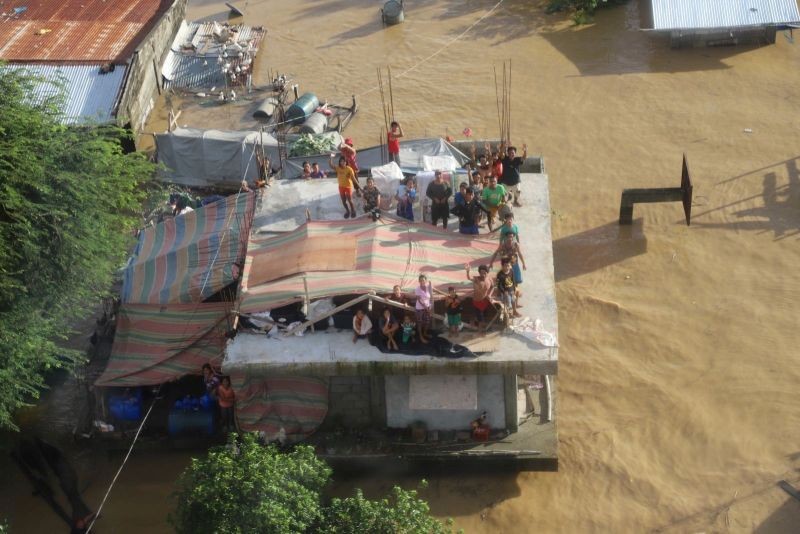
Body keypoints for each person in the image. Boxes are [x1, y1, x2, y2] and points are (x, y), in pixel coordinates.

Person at [465, 264, 494, 329]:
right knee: (480, 317)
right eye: (481, 272)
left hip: (485, 301)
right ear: (479, 273)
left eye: (485, 273)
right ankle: (480, 331)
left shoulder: (489, 279)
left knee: (483, 315)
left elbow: (492, 287)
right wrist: (467, 271)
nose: (483, 274)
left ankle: (473, 321)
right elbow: (469, 278)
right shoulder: (476, 279)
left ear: (487, 272)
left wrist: (490, 294)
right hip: (477, 301)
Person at [329, 154, 358, 219]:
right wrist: (331, 158)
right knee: (343, 201)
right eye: (341, 161)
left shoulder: (349, 169)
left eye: (344, 161)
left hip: (348, 187)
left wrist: (359, 188)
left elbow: (354, 179)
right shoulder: (338, 168)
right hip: (341, 187)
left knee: (350, 200)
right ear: (339, 162)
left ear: (346, 162)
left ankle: (353, 210)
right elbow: (331, 165)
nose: (342, 162)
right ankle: (347, 211)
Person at [414, 274, 433, 344]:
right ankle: (421, 337)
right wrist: (426, 308)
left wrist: (429, 307)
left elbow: (430, 297)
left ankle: (425, 333)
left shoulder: (428, 287)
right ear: (419, 281)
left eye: (423, 280)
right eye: (421, 280)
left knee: (427, 322)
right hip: (419, 308)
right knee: (420, 323)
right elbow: (419, 300)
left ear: (426, 280)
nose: (422, 281)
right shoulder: (417, 289)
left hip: (427, 308)